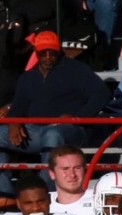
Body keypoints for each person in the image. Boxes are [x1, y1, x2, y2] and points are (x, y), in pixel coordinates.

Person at [0, 32, 110, 196]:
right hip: (35, 131)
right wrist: (13, 122)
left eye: (52, 52)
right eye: (43, 53)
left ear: (59, 51)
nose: (48, 57)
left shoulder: (75, 69)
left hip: (73, 130)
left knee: (52, 135)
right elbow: (18, 106)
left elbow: (102, 93)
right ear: (36, 53)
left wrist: (77, 117)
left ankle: (44, 194)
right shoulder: (27, 77)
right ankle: (4, 194)